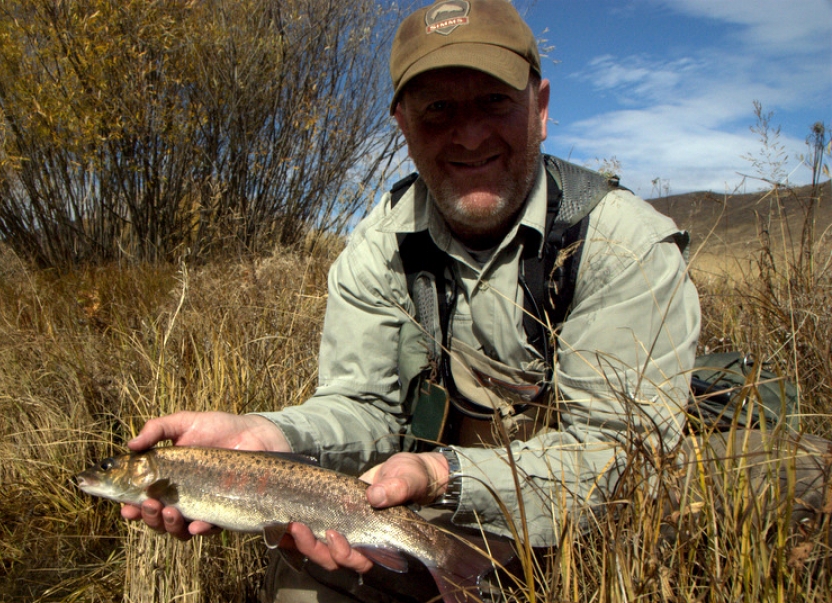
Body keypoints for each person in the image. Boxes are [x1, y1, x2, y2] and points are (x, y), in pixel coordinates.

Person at [122, 0, 701, 600]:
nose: (469, 133)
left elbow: (623, 457)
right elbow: (362, 405)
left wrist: (441, 474)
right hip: (425, 509)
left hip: (591, 532)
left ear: (542, 108)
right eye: (438, 109)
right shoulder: (378, 249)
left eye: (493, 101)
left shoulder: (622, 244)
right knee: (302, 575)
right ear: (402, 123)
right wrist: (271, 438)